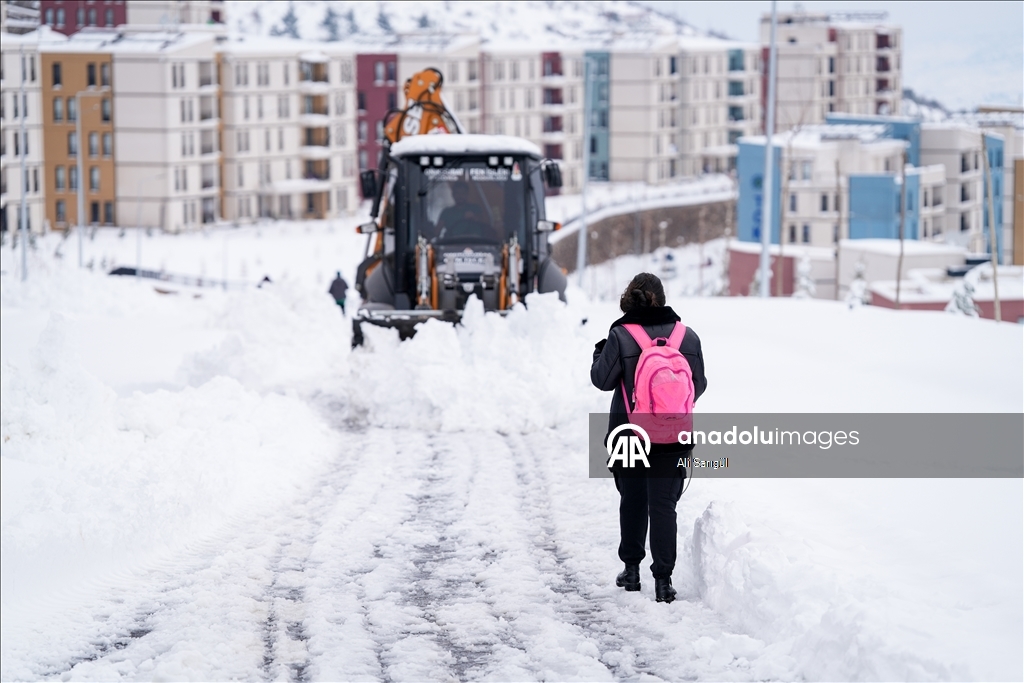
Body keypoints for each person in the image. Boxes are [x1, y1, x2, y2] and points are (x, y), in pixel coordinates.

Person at [590, 272, 707, 604]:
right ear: (663, 297)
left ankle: (631, 571)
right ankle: (664, 582)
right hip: (674, 434)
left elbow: (602, 379)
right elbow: (698, 385)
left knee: (633, 499)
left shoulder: (622, 334)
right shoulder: (688, 337)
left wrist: (601, 352)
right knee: (663, 505)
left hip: (629, 432)